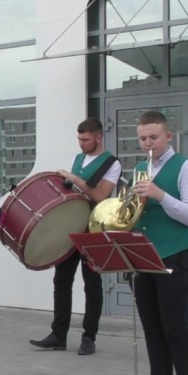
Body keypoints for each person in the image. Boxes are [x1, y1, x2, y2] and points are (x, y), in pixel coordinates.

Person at [128, 111, 188, 375]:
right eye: (143, 138)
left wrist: (159, 195)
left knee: (176, 332)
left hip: (174, 258)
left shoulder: (187, 167)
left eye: (154, 137)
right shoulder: (139, 169)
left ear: (168, 137)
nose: (148, 143)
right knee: (153, 333)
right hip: (143, 259)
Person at [29, 118, 121, 355]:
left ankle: (89, 337)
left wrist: (75, 179)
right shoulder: (78, 159)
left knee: (92, 284)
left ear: (98, 138)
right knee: (62, 280)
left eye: (85, 139)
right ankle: (58, 334)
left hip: (94, 228)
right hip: (70, 226)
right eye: (79, 139)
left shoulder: (111, 163)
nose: (81, 143)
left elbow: (100, 196)